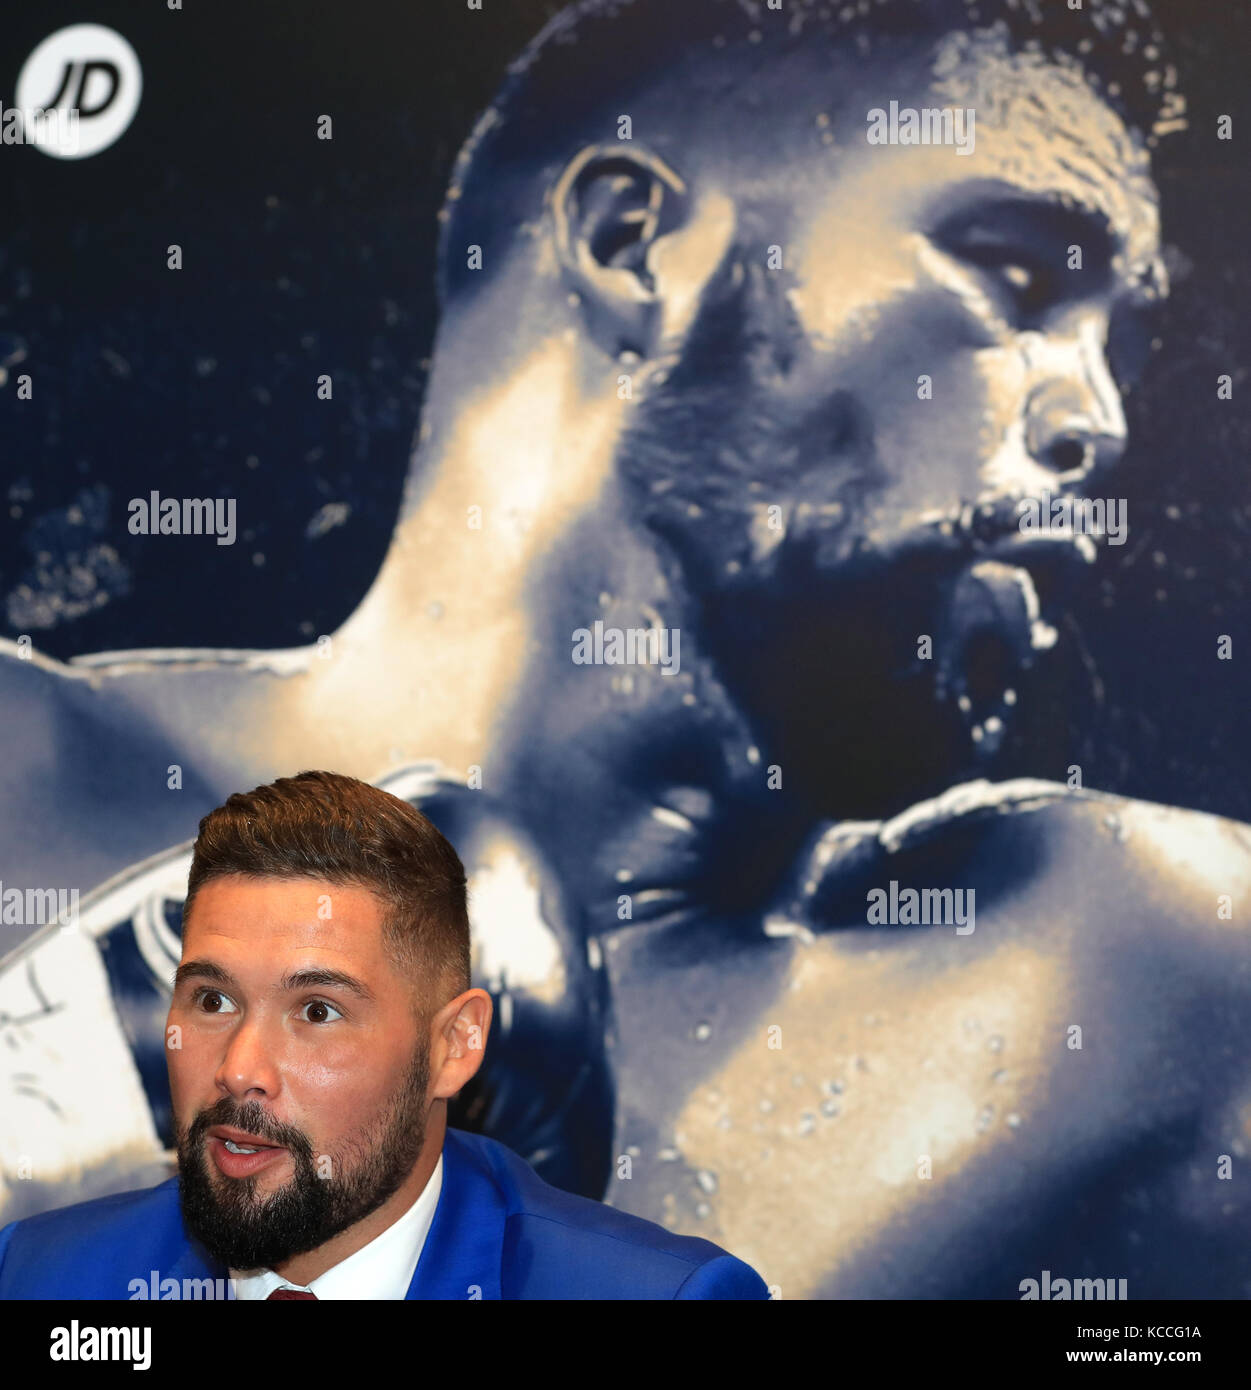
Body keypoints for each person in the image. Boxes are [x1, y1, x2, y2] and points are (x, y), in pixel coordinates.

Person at [1, 0, 1248, 1297]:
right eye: (1017, 275)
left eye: (1126, 348)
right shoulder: (20, 773)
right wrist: (37, 1138)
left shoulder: (1132, 979)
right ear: (631, 245)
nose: (1096, 418)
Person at [0, 772, 767, 1299]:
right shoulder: (42, 1277)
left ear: (452, 1048)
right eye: (210, 998)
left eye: (317, 1013)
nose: (239, 1069)